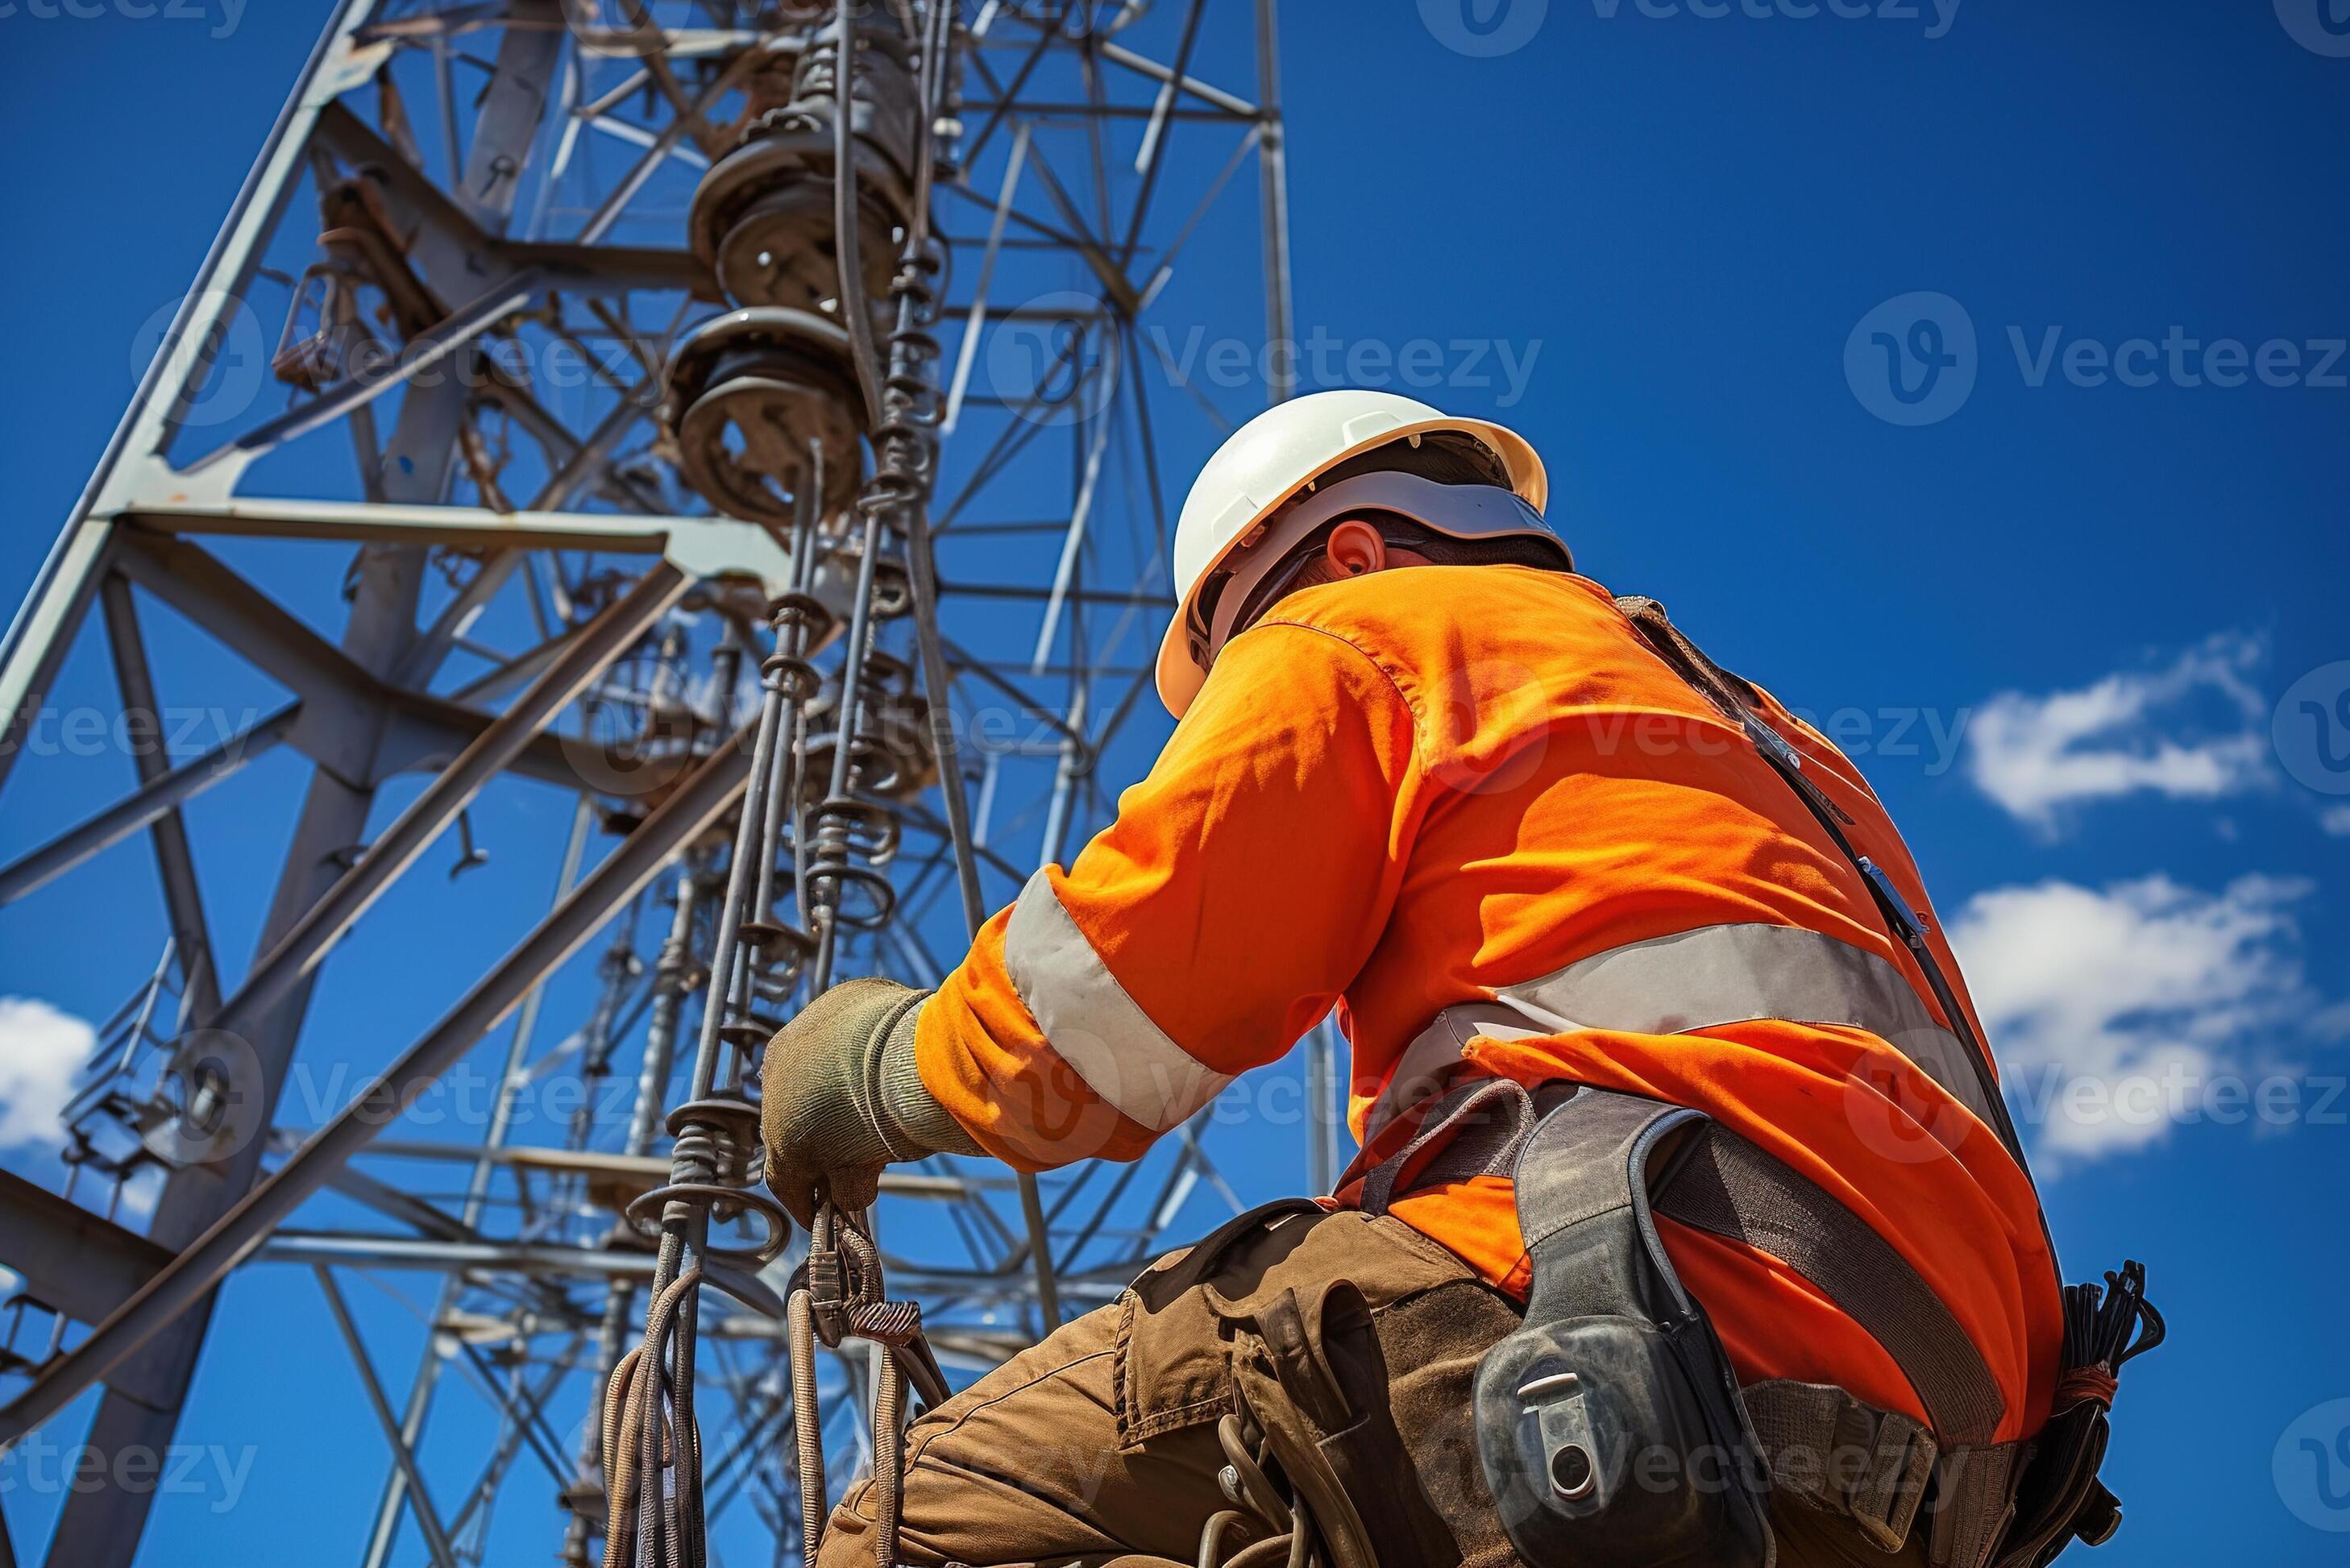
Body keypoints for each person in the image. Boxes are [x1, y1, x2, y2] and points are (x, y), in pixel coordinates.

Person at [758, 390, 2065, 1568]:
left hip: (1639, 1325)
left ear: (1351, 551)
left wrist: (870, 1071)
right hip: (1940, 1472)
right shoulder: (1773, 736)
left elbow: (1101, 1021)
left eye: (1228, 663)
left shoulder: (1368, 623)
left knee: (917, 1522)